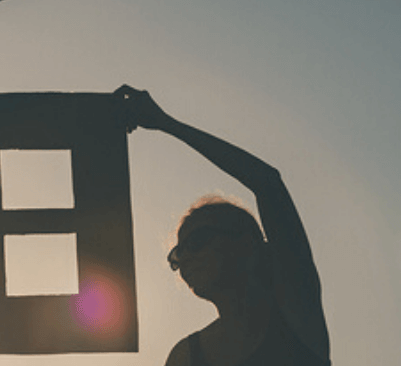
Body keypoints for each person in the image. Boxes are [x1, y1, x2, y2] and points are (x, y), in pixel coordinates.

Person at [115, 85, 330, 366]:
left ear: (247, 243)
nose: (187, 258)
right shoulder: (185, 356)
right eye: (178, 254)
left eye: (197, 241)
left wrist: (166, 124)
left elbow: (268, 184)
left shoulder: (296, 311)